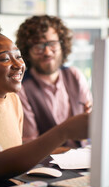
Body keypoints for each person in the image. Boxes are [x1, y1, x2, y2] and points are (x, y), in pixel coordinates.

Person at [0, 6, 89, 179]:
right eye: (5, 58)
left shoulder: (13, 99)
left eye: (18, 56)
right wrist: (64, 131)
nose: (18, 64)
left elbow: (17, 155)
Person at [16, 15, 92, 147]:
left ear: (62, 44)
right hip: (47, 164)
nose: (47, 52)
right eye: (38, 46)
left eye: (52, 44)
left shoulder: (75, 75)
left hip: (83, 157)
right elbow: (30, 144)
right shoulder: (21, 88)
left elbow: (90, 127)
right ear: (27, 52)